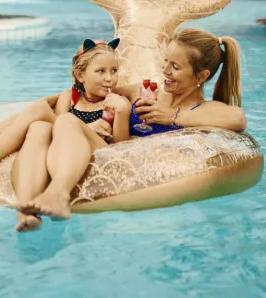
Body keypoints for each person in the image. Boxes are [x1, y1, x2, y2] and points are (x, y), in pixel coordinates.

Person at [15, 28, 247, 227]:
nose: (165, 70)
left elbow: (238, 119)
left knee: (65, 122)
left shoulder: (203, 109)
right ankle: (26, 214)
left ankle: (58, 193)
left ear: (202, 76)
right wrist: (56, 101)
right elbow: (89, 91)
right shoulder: (146, 91)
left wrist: (172, 116)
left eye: (175, 66)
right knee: (39, 128)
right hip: (106, 151)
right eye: (165, 60)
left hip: (133, 171)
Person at [0, 39, 129, 191]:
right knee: (28, 116)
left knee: (38, 109)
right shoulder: (69, 98)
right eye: (100, 71)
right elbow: (54, 132)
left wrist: (110, 117)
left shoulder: (115, 101)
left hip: (96, 149)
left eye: (114, 70)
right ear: (80, 75)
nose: (109, 78)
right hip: (67, 144)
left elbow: (122, 145)